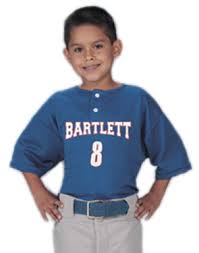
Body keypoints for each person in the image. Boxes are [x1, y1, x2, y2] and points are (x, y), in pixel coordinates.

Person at [9, 5, 192, 253]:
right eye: (78, 49)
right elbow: (26, 152)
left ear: (115, 48)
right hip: (73, 221)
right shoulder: (60, 104)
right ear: (67, 55)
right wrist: (38, 193)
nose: (89, 56)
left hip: (124, 220)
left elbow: (169, 152)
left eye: (97, 46)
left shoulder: (137, 100)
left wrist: (155, 195)